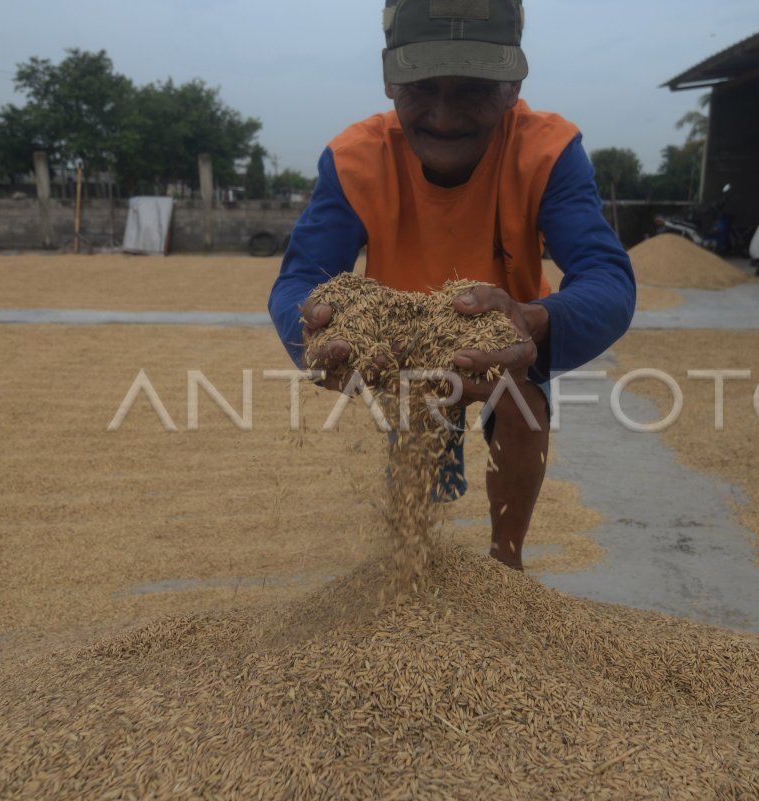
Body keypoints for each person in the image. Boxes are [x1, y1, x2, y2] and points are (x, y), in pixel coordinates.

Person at [268, 0, 635, 571]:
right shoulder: (355, 159)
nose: (444, 116)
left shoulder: (548, 152)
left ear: (513, 84)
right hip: (401, 347)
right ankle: (409, 560)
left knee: (522, 397)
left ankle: (505, 564)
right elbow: (300, 279)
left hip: (501, 332)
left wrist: (535, 320)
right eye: (421, 87)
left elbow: (607, 278)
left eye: (473, 89)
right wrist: (317, 326)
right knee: (417, 440)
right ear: (390, 77)